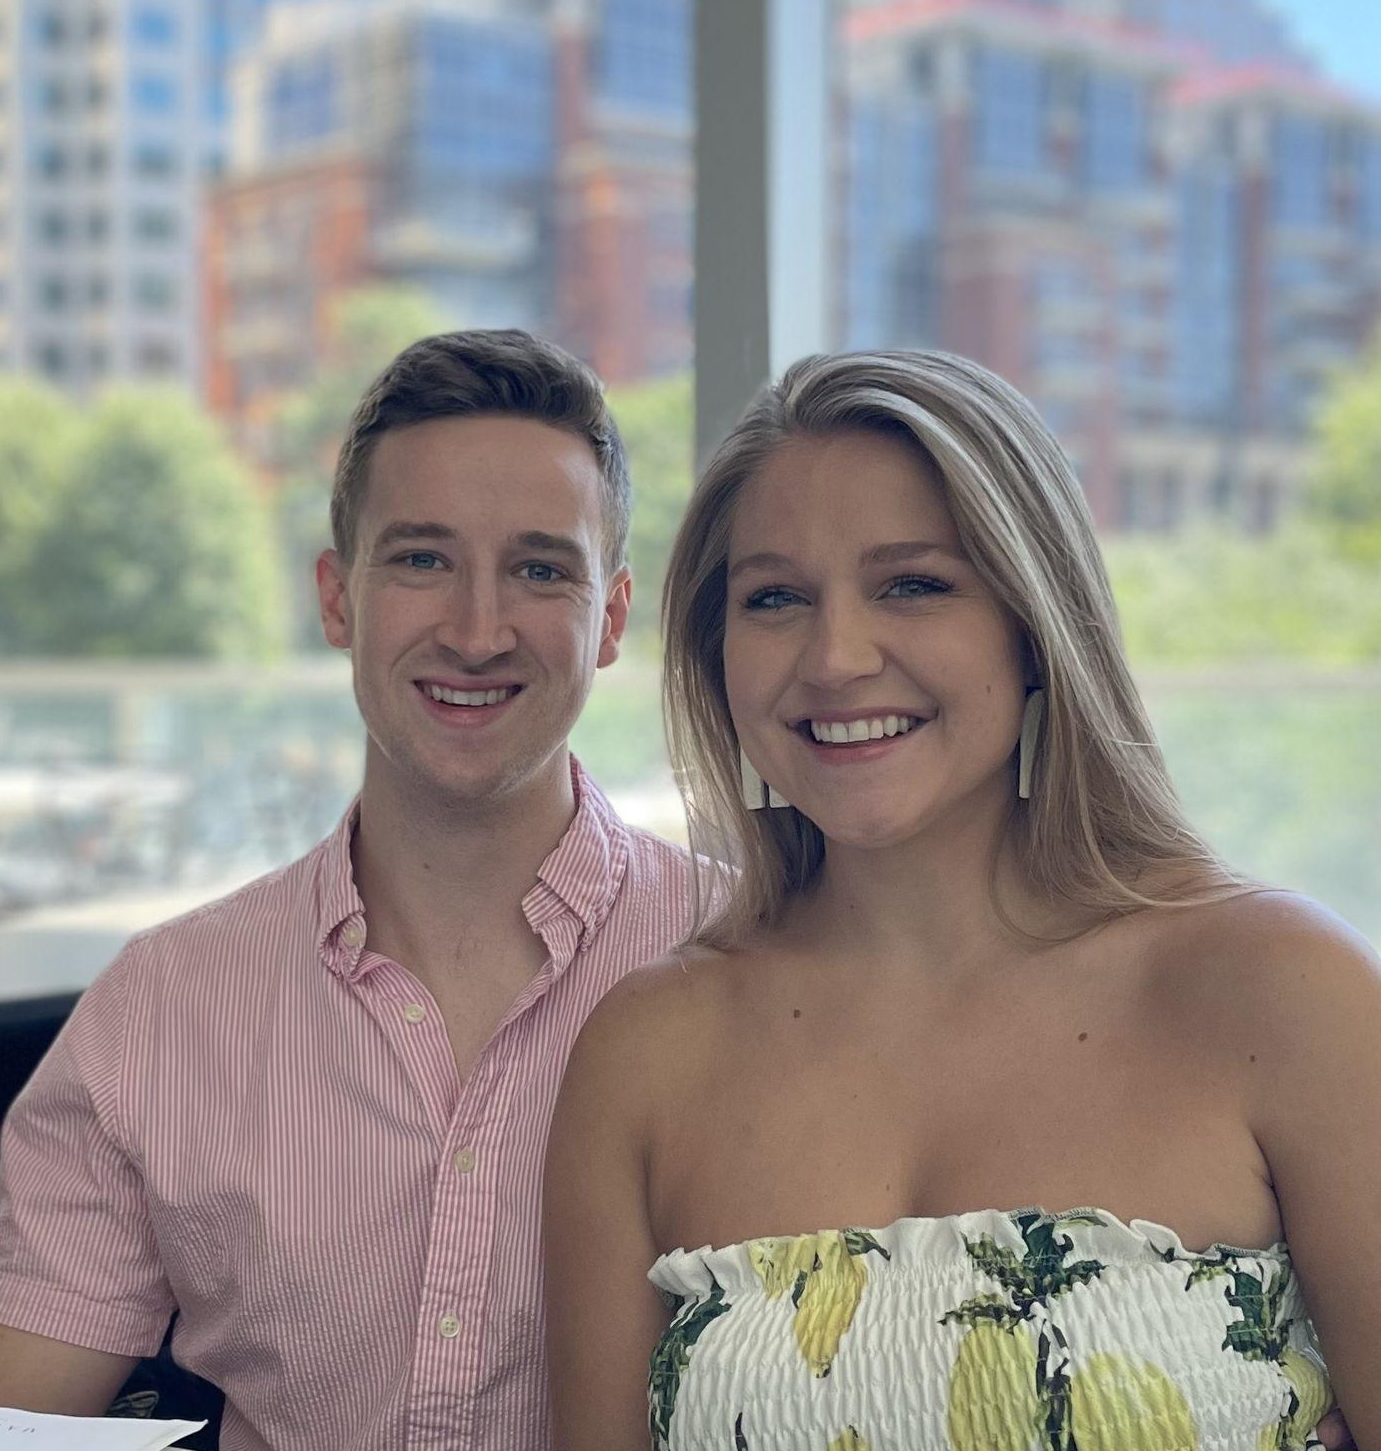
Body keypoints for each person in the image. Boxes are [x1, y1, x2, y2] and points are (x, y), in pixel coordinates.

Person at [544, 349, 1380, 1451]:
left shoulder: (1284, 994)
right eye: (775, 597)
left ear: (1034, 626)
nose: (835, 657)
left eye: (913, 583)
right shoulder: (646, 1051)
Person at [0, 330, 697, 1450]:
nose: (476, 631)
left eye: (539, 570)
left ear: (610, 619)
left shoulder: (749, 956)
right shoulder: (163, 1008)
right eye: (420, 560)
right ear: (337, 600)